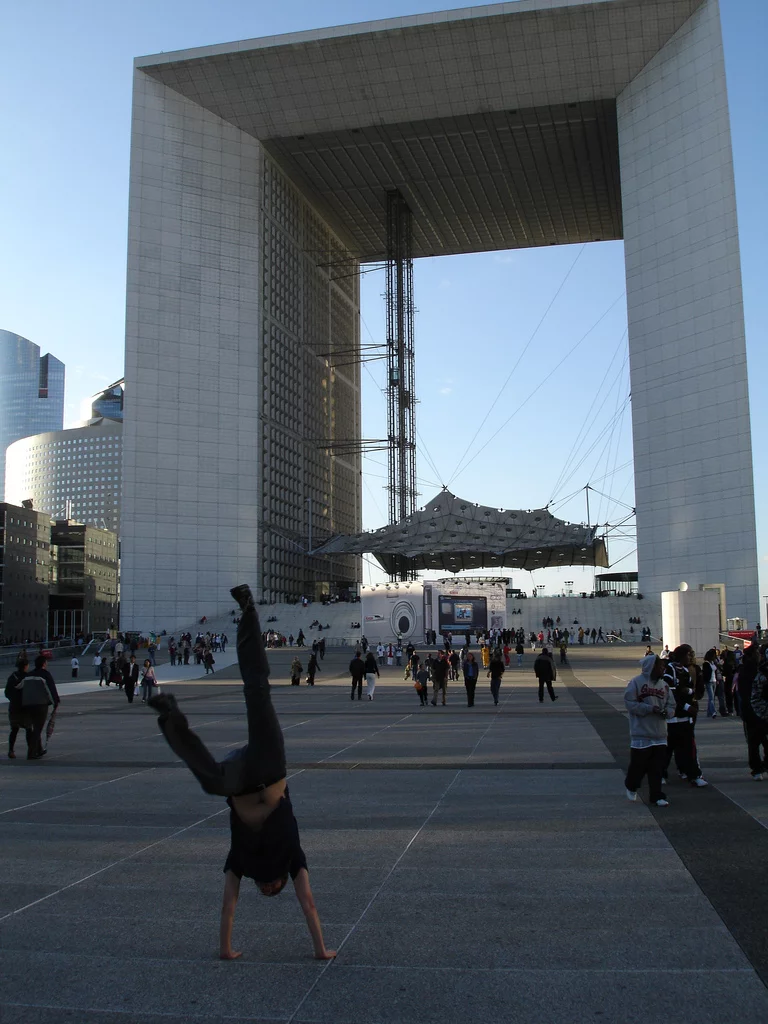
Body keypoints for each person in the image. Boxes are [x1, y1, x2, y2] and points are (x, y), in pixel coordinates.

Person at [147, 585, 335, 961]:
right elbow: (309, 904)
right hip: (269, 765)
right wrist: (320, 949)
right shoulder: (292, 860)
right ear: (281, 883)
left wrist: (226, 949)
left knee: (209, 779)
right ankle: (248, 608)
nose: (267, 889)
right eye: (273, 890)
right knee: (257, 691)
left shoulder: (241, 865)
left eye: (263, 892)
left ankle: (168, 714)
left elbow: (228, 908)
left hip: (239, 780)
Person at [624, 655, 675, 806]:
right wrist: (649, 708)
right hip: (641, 732)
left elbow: (672, 705)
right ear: (651, 667)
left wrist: (668, 712)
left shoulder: (664, 686)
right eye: (660, 666)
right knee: (638, 766)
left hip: (659, 733)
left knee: (657, 767)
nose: (663, 669)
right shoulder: (636, 683)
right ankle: (631, 785)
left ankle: (657, 795)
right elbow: (630, 703)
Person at [663, 645, 708, 787]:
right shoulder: (670, 670)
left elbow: (689, 691)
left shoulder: (686, 671)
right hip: (672, 718)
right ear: (681, 655)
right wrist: (687, 705)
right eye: (688, 654)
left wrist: (689, 696)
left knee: (689, 748)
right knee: (667, 749)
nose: (690, 657)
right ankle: (660, 774)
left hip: (685, 718)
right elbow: (671, 694)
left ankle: (693, 775)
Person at [10, 655, 60, 759]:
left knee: (35, 727)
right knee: (38, 728)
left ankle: (39, 749)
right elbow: (51, 689)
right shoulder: (45, 675)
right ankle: (31, 752)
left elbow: (18, 686)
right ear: (43, 664)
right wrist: (56, 702)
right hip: (41, 704)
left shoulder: (29, 675)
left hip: (28, 704)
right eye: (46, 663)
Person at [735, 645, 768, 780]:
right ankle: (758, 767)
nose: (759, 655)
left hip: (752, 710)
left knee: (754, 742)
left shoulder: (752, 669)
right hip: (755, 710)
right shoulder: (752, 671)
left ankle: (757, 768)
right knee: (757, 741)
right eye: (757, 653)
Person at [6, 657, 32, 759]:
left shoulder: (12, 676)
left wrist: (13, 699)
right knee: (29, 729)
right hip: (26, 708)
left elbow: (7, 692)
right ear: (26, 666)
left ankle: (11, 750)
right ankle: (30, 751)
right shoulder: (29, 677)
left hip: (14, 707)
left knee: (14, 730)